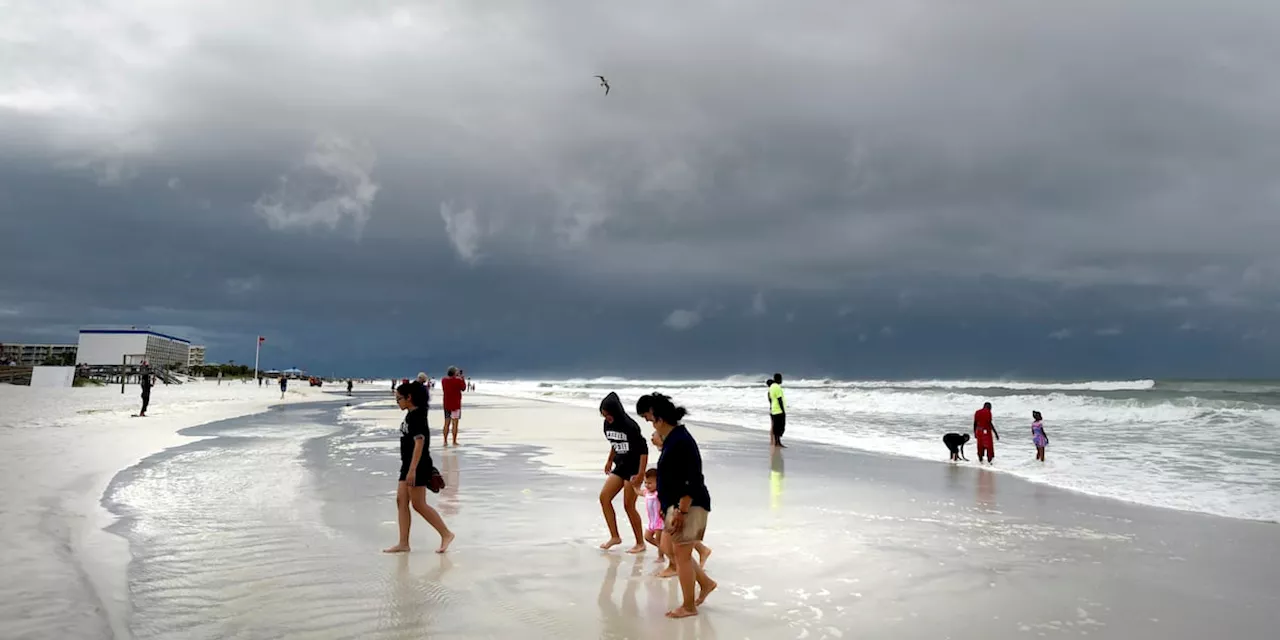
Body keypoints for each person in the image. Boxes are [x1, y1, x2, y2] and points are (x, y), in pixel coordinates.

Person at [637, 393, 717, 618]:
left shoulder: (680, 440)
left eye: (651, 420)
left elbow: (692, 478)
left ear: (660, 418)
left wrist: (682, 510)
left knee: (681, 556)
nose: (652, 426)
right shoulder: (673, 440)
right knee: (676, 551)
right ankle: (706, 583)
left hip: (689, 506)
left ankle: (689, 606)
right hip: (678, 505)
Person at [383, 381, 454, 554]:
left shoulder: (418, 416)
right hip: (407, 464)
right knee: (401, 501)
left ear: (409, 398)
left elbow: (420, 442)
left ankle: (446, 534)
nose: (397, 401)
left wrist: (413, 469)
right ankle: (403, 543)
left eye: (399, 398)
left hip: (418, 465)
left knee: (418, 504)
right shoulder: (411, 414)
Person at [646, 427, 712, 578]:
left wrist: (680, 510)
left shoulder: (676, 447)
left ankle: (679, 569)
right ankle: (704, 581)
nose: (652, 437)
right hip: (671, 506)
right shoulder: (668, 452)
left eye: (654, 434)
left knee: (676, 549)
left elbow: (688, 483)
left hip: (683, 505)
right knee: (677, 548)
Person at [598, 392, 648, 552]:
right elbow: (615, 442)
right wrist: (609, 460)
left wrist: (641, 474)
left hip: (634, 468)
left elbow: (643, 450)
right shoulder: (607, 424)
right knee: (604, 498)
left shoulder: (630, 426)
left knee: (628, 505)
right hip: (620, 466)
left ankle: (640, 543)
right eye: (604, 415)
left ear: (616, 412)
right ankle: (615, 536)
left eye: (608, 415)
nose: (607, 418)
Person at [641, 469, 666, 564]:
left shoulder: (659, 493)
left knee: (659, 540)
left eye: (650, 483)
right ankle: (665, 548)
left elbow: (665, 502)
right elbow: (638, 492)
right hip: (651, 521)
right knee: (647, 537)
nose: (647, 485)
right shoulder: (646, 492)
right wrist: (634, 485)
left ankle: (661, 556)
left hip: (659, 521)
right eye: (645, 483)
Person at [441, 367, 465, 447]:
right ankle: (454, 441)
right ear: (454, 373)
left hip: (447, 404)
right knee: (455, 423)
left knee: (446, 423)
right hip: (455, 404)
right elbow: (463, 388)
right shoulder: (458, 380)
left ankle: (445, 441)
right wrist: (462, 379)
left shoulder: (444, 380)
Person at [768, 373, 786, 448]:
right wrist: (783, 410)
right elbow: (779, 399)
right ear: (778, 379)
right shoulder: (777, 387)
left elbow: (770, 398)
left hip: (773, 409)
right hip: (778, 410)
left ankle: (776, 442)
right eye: (781, 378)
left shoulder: (771, 387)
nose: (781, 380)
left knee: (776, 427)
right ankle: (778, 442)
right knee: (780, 427)